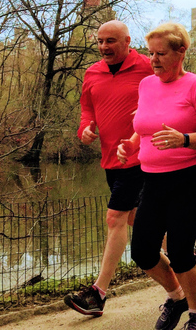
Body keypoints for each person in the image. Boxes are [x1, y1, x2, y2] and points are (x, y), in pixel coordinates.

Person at [117, 22, 196, 330]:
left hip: (192, 174)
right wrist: (131, 145)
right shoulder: (146, 85)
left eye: (161, 53)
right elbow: (144, 125)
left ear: (181, 51)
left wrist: (184, 139)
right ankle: (176, 298)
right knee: (143, 250)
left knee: (180, 250)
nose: (154, 60)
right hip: (153, 176)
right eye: (151, 54)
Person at [65, 20, 159, 317]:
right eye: (101, 41)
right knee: (134, 218)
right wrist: (84, 129)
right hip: (110, 159)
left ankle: (98, 293)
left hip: (140, 157)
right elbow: (87, 109)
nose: (104, 46)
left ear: (127, 41)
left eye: (111, 41)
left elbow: (168, 93)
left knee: (114, 217)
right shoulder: (92, 73)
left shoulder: (147, 66)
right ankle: (183, 256)